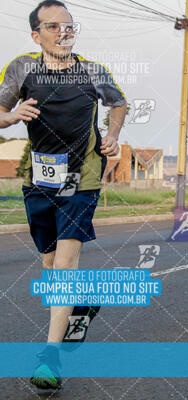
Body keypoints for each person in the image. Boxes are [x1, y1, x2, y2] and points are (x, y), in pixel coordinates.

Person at [0, 0, 126, 389]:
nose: (63, 32)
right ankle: (82, 306)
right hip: (39, 175)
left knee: (65, 266)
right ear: (36, 35)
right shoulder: (21, 68)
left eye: (68, 26)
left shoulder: (93, 71)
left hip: (83, 174)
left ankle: (49, 360)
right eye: (53, 27)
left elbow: (118, 103)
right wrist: (11, 116)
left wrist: (113, 134)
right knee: (51, 263)